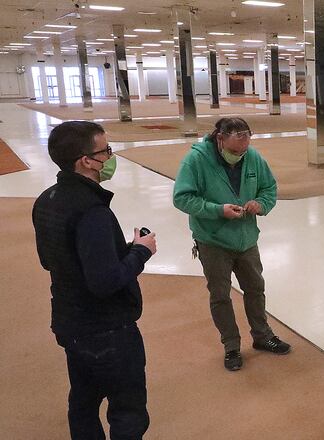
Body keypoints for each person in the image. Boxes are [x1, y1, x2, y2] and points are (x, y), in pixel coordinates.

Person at [33, 121, 157, 439]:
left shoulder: (47, 200)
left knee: (83, 404)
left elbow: (53, 260)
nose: (110, 157)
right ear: (86, 160)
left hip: (69, 323)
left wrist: (120, 250)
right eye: (106, 150)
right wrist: (140, 253)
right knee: (127, 411)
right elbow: (104, 281)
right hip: (108, 331)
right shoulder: (92, 212)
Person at [173, 117, 290, 372]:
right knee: (220, 296)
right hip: (212, 241)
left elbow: (269, 188)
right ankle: (231, 346)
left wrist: (261, 204)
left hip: (247, 240)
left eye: (244, 149)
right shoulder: (196, 160)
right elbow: (182, 198)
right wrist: (217, 210)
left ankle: (262, 336)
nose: (240, 154)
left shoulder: (253, 157)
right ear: (220, 139)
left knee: (255, 289)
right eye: (235, 150)